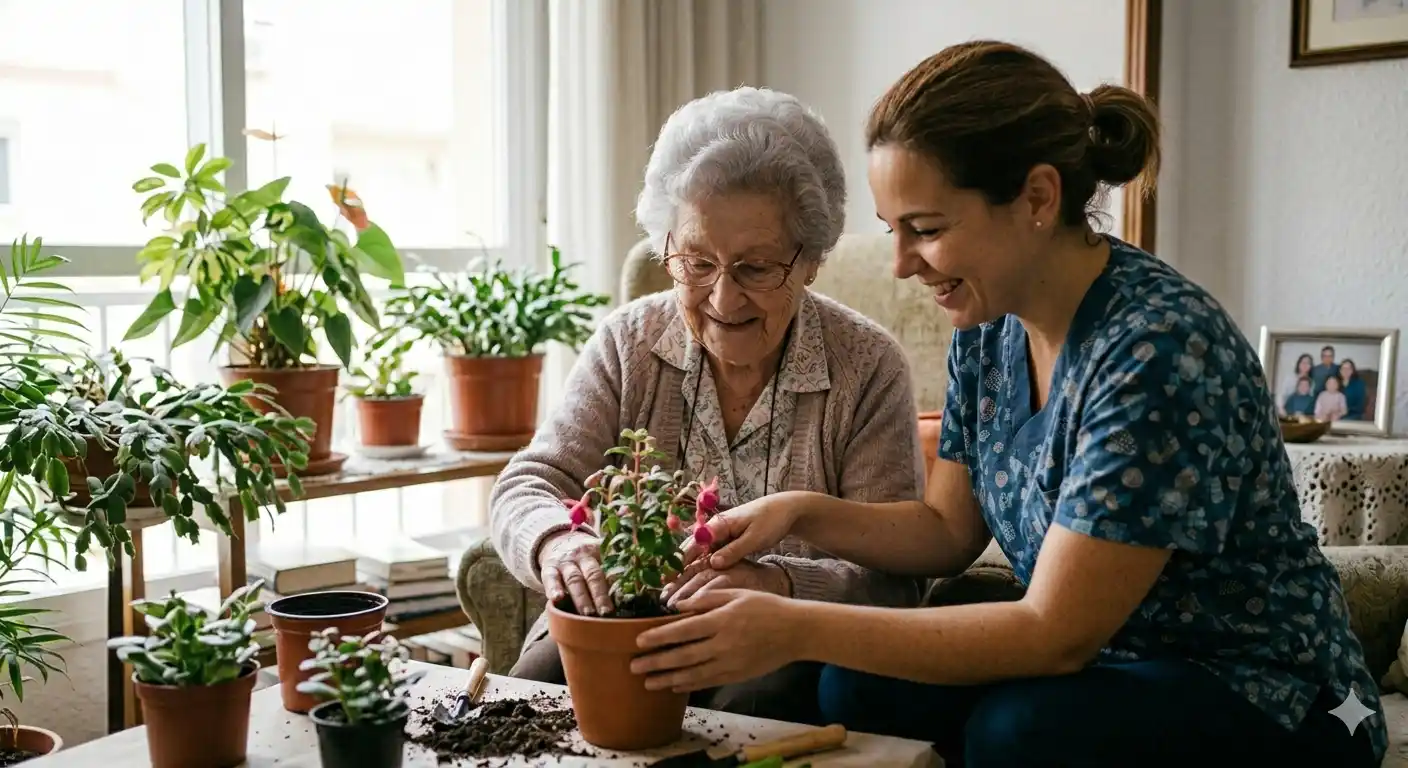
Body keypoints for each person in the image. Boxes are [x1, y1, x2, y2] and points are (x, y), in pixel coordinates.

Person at [630, 41, 1386, 768]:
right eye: (894, 232)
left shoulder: (1158, 349)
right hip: (1109, 668)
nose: (901, 266)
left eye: (926, 230)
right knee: (856, 688)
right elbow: (946, 532)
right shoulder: (988, 328)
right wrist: (798, 512)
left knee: (1018, 734)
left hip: (1269, 691)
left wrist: (792, 625)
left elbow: (1053, 634)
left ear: (1037, 198)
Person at [487, 86, 927, 725]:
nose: (723, 299)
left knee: (751, 709)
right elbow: (528, 483)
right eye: (695, 263)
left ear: (811, 261)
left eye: (756, 268)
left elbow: (895, 581)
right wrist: (559, 543)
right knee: (531, 697)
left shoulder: (866, 367)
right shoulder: (629, 342)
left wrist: (780, 584)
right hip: (622, 620)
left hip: (779, 645)